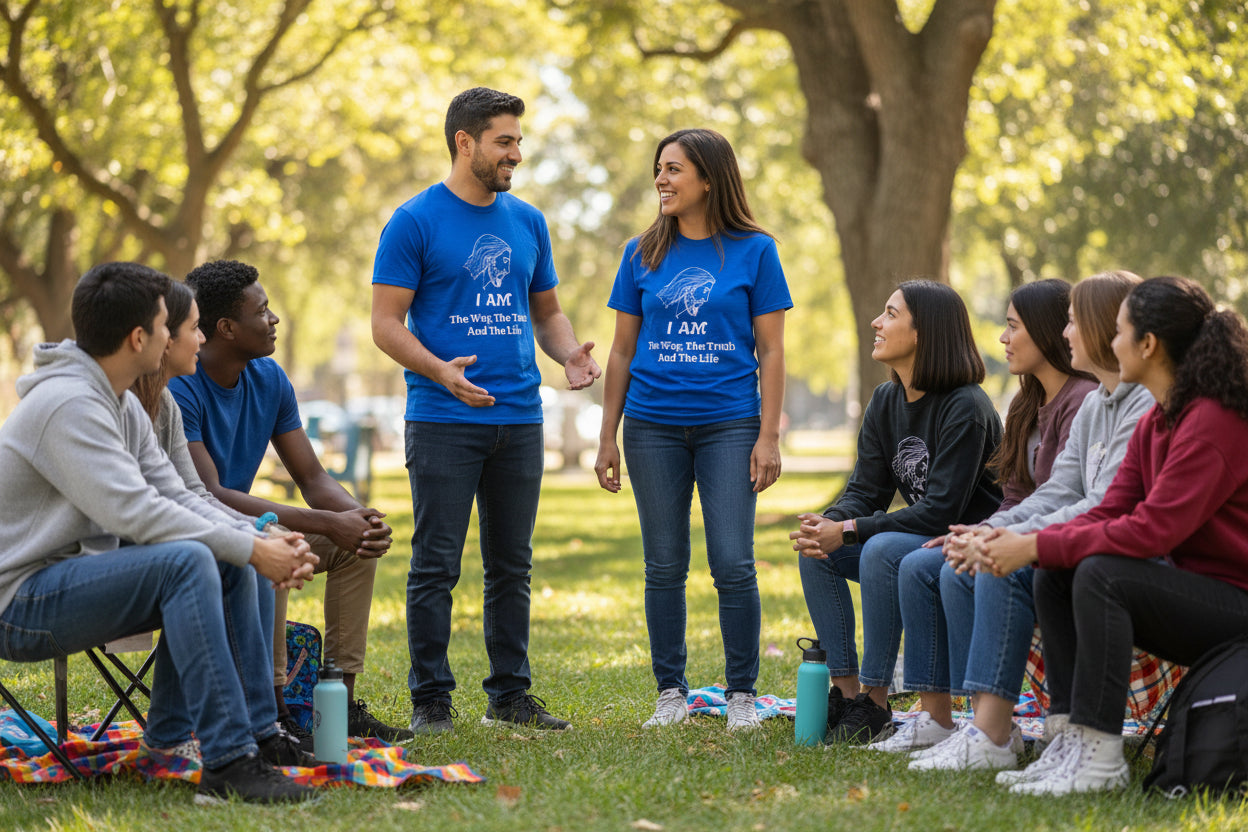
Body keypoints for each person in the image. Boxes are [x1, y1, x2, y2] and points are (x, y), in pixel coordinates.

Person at [0, 262, 317, 804]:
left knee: (219, 558)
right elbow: (137, 512)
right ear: (139, 338)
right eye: (169, 326)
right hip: (20, 603)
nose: (182, 337)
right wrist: (251, 546)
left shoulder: (120, 400)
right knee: (188, 559)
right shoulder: (69, 404)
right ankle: (228, 763)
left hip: (73, 582)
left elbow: (178, 493)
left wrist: (256, 538)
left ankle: (239, 738)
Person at [371, 87, 600, 734]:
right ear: (464, 142)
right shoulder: (414, 221)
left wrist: (568, 355)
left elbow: (547, 313)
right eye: (505, 141)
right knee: (435, 565)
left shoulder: (527, 221)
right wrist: (439, 371)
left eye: (519, 142)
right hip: (442, 420)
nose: (516, 154)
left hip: (520, 418)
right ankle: (431, 701)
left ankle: (510, 695)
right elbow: (385, 324)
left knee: (511, 566)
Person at [979, 276, 1248, 796]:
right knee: (1057, 572)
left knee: (1102, 574)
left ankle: (1101, 757)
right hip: (1195, 595)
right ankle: (1069, 740)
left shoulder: (1211, 420)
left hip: (1235, 606)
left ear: (1148, 345)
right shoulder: (1159, 421)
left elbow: (1152, 531)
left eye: (1120, 332)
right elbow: (1108, 510)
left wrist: (1032, 544)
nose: (1111, 342)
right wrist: (1018, 541)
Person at [885, 272, 1148, 769]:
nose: (1067, 333)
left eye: (1074, 323)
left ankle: (994, 731)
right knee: (944, 563)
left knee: (994, 566)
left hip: (1115, 552)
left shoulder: (1129, 405)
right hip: (1076, 540)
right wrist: (990, 530)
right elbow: (1054, 491)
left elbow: (1103, 504)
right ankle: (978, 724)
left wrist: (1010, 538)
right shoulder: (1091, 403)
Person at [592, 128, 792, 731]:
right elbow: (621, 351)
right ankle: (670, 693)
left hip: (730, 424)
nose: (661, 179)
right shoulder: (641, 253)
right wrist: (607, 436)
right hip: (651, 427)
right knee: (663, 565)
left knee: (732, 562)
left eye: (674, 169)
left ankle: (742, 695)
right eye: (659, 168)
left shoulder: (756, 251)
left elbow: (772, 350)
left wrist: (769, 435)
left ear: (709, 178)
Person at [168, 259, 411, 745]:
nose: (274, 318)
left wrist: (356, 518)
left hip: (248, 526)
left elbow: (313, 477)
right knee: (273, 540)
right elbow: (210, 493)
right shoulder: (181, 386)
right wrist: (326, 521)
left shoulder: (269, 378)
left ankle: (338, 706)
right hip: (196, 534)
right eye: (262, 311)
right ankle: (275, 712)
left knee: (354, 547)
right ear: (226, 327)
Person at [790, 279, 1004, 744]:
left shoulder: (965, 406)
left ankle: (875, 701)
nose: (876, 322)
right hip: (921, 537)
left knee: (880, 549)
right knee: (819, 551)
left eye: (890, 314)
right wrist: (828, 523)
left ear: (923, 332)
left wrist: (849, 529)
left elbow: (939, 511)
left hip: (964, 542)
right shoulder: (886, 401)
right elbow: (865, 490)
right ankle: (847, 695)